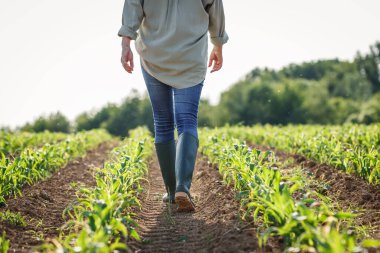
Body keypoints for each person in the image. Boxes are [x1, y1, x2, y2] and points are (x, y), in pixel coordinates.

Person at [118, 0, 228, 212]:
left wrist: (125, 45)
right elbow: (215, 8)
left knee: (163, 122)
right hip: (191, 55)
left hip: (154, 54)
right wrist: (218, 44)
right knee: (187, 119)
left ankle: (171, 193)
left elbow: (133, 6)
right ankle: (182, 188)